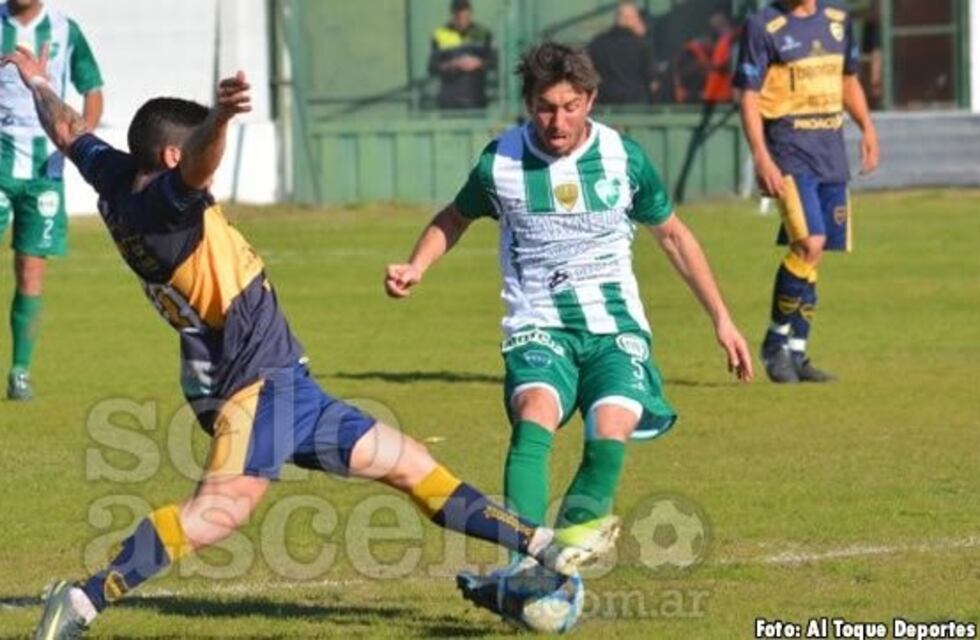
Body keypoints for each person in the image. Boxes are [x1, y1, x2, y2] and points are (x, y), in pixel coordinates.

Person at [1, 45, 619, 639]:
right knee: (220, 512)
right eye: (190, 155)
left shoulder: (114, 177)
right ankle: (82, 598)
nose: (204, 172)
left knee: (409, 463)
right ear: (169, 157)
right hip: (253, 382)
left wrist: (36, 82)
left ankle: (543, 546)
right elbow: (195, 165)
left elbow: (67, 129)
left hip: (284, 381)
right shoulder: (168, 205)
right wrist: (219, 117)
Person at [386, 42, 753, 611]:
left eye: (570, 106)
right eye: (545, 107)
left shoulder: (623, 159)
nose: (558, 121)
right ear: (528, 103)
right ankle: (524, 562)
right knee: (535, 415)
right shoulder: (501, 164)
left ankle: (560, 562)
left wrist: (722, 320)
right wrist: (417, 264)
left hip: (615, 328)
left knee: (612, 429)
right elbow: (453, 218)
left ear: (590, 100)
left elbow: (676, 237)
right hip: (539, 325)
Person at [734, 0, 879, 383]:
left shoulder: (838, 20)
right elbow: (748, 96)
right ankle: (774, 341)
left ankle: (797, 354)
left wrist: (867, 127)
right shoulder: (763, 25)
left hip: (830, 152)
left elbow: (848, 79)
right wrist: (761, 157)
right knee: (809, 243)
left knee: (814, 254)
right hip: (788, 149)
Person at [0, 0, 103, 400]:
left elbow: (92, 88)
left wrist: (79, 140)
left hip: (45, 172)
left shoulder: (64, 30)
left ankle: (20, 371)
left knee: (30, 271)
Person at [587, 1, 660, 105]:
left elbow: (589, 74)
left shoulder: (597, 43)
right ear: (632, 19)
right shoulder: (642, 46)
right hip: (636, 105)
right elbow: (653, 81)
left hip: (606, 104)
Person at [428, 0, 495, 110]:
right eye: (459, 18)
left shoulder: (484, 34)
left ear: (471, 14)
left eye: (466, 17)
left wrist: (478, 63)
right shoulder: (439, 35)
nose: (463, 22)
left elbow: (495, 62)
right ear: (453, 15)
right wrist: (454, 64)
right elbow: (432, 67)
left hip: (476, 101)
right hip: (449, 104)